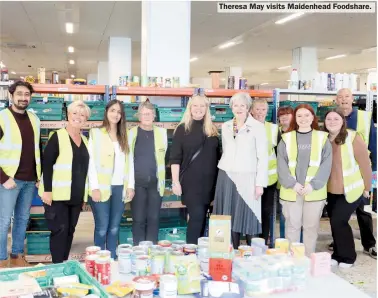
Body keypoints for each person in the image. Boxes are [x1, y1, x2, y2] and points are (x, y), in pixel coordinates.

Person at [214, 92, 268, 249]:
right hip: (227, 176)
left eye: (242, 105)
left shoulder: (258, 127)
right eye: (235, 105)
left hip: (248, 177)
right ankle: (230, 251)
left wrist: (260, 184)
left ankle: (250, 257)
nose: (239, 108)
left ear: (248, 108)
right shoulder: (226, 126)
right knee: (227, 215)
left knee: (249, 215)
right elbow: (226, 151)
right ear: (231, 108)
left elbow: (262, 157)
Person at [38, 100, 91, 263]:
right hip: (56, 196)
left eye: (82, 115)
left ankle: (64, 263)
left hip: (75, 196)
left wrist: (83, 197)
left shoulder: (85, 141)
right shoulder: (57, 137)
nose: (78, 117)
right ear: (68, 115)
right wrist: (47, 191)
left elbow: (84, 170)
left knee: (70, 231)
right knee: (59, 231)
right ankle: (57, 266)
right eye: (75, 113)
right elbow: (47, 165)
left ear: (86, 120)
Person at [277, 104, 332, 256]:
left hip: (314, 192)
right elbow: (281, 165)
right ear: (295, 118)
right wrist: (292, 184)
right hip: (291, 192)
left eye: (307, 115)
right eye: (299, 115)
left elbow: (326, 165)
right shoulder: (286, 138)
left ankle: (307, 260)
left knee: (310, 228)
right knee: (292, 227)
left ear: (313, 117)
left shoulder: (322, 138)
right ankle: (293, 261)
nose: (303, 119)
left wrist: (313, 185)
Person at [330, 88, 377, 258]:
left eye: (347, 96)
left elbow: (373, 143)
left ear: (353, 99)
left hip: (360, 174)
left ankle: (369, 244)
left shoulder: (364, 117)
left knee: (363, 210)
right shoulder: (332, 117)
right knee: (339, 213)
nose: (344, 100)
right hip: (340, 176)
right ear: (336, 100)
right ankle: (339, 243)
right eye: (340, 97)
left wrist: (373, 174)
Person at [324, 108, 372, 268]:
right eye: (329, 119)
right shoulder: (323, 138)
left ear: (342, 121)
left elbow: (365, 164)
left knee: (339, 221)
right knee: (334, 222)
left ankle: (348, 257)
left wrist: (367, 187)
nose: (332, 122)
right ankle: (337, 254)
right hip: (331, 190)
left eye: (336, 119)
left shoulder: (353, 137)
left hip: (351, 189)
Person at [0, 81, 40, 268]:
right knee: (3, 220)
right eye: (20, 94)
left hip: (30, 180)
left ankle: (17, 256)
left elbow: (36, 149)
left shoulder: (34, 119)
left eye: (27, 94)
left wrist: (38, 175)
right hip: (9, 179)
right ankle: (1, 259)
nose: (24, 98)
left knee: (22, 219)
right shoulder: (2, 118)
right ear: (11, 95)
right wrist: (3, 178)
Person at [88, 100, 135, 259]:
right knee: (102, 227)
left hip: (119, 187)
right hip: (101, 188)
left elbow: (130, 162)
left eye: (119, 112)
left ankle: (112, 259)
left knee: (114, 228)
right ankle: (99, 259)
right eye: (113, 110)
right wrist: (94, 187)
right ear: (106, 112)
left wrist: (130, 185)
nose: (116, 114)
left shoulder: (125, 135)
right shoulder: (96, 133)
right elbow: (91, 162)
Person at [170, 95, 220, 244]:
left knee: (202, 218)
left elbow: (217, 157)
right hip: (191, 183)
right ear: (190, 108)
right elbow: (175, 159)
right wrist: (175, 182)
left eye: (202, 106)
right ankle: (191, 251)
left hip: (209, 183)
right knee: (197, 217)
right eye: (195, 106)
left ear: (206, 109)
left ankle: (199, 251)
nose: (198, 109)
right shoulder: (182, 129)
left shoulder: (212, 130)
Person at [128, 101, 168, 245]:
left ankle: (152, 249)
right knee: (138, 219)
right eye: (144, 113)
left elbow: (164, 157)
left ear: (154, 116)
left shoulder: (161, 133)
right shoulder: (131, 133)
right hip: (137, 184)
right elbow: (127, 159)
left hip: (155, 184)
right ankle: (139, 250)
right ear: (139, 116)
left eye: (149, 113)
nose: (146, 116)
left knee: (154, 218)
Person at [250, 98, 278, 245]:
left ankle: (262, 241)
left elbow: (279, 153)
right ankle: (251, 241)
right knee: (251, 211)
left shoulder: (273, 129)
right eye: (258, 109)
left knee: (266, 212)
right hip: (250, 178)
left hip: (269, 178)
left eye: (263, 109)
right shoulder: (247, 127)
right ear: (252, 111)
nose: (261, 112)